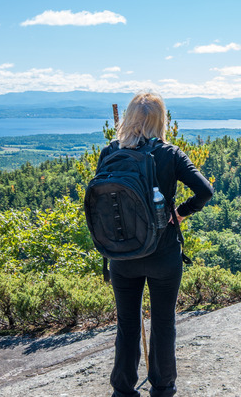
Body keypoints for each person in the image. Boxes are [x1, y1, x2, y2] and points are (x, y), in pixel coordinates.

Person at [97, 91, 213, 397]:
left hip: (122, 254)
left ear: (130, 117)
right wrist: (180, 213)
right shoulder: (170, 153)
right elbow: (205, 191)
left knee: (127, 325)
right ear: (161, 120)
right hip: (163, 254)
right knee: (163, 324)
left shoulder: (110, 152)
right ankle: (162, 388)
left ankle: (123, 389)